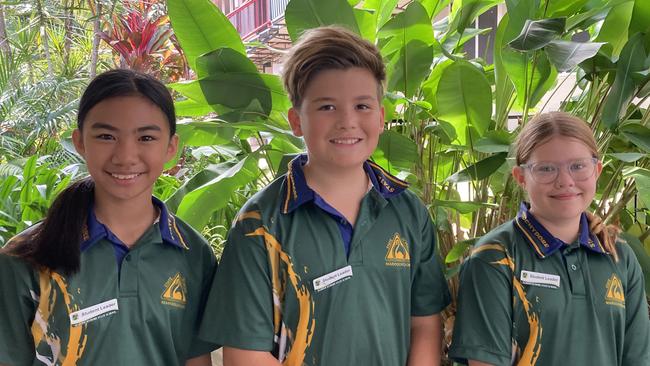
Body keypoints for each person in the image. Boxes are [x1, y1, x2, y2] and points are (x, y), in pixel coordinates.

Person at [197, 26, 451, 365]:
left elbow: (424, 322)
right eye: (327, 107)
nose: (347, 121)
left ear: (380, 117)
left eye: (362, 105)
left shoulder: (407, 211)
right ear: (296, 121)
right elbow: (246, 354)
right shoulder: (260, 224)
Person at [0, 69, 219, 365]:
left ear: (171, 147)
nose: (126, 156)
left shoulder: (193, 254)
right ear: (79, 142)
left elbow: (196, 359)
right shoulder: (27, 256)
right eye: (106, 136)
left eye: (146, 137)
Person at [449, 111, 650, 365]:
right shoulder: (496, 256)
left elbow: (637, 358)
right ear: (521, 177)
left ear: (597, 170)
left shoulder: (619, 256)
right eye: (546, 169)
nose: (565, 181)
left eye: (578, 166)